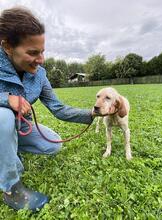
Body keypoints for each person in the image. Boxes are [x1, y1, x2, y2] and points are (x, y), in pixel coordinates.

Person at [0, 7, 95, 211]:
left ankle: (6, 150)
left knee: (53, 145)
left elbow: (58, 108)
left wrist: (91, 113)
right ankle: (12, 189)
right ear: (7, 46)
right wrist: (6, 99)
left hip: (14, 128)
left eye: (42, 51)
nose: (41, 59)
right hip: (3, 122)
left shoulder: (39, 75)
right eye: (33, 53)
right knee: (3, 116)